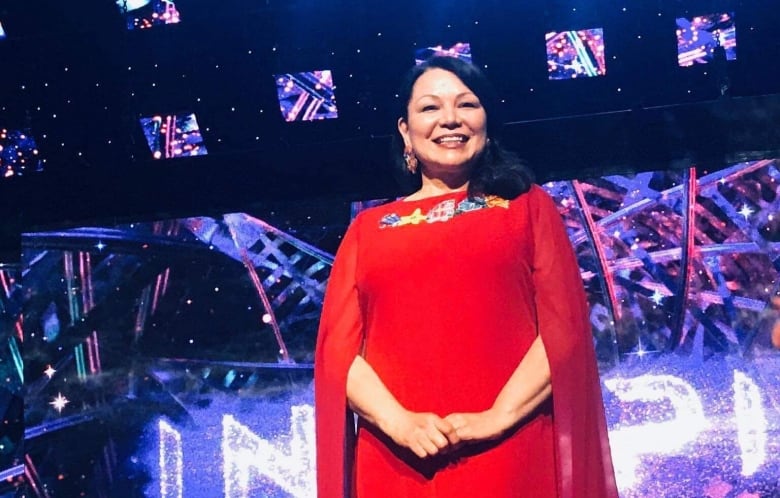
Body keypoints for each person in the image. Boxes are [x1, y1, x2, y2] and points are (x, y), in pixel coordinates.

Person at [314, 56, 618, 498]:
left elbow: (564, 330)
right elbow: (337, 352)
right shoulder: (369, 228)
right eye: (430, 108)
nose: (450, 119)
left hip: (511, 450)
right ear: (405, 131)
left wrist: (496, 416)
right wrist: (399, 423)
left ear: (487, 123)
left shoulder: (526, 208)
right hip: (395, 458)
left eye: (467, 105)